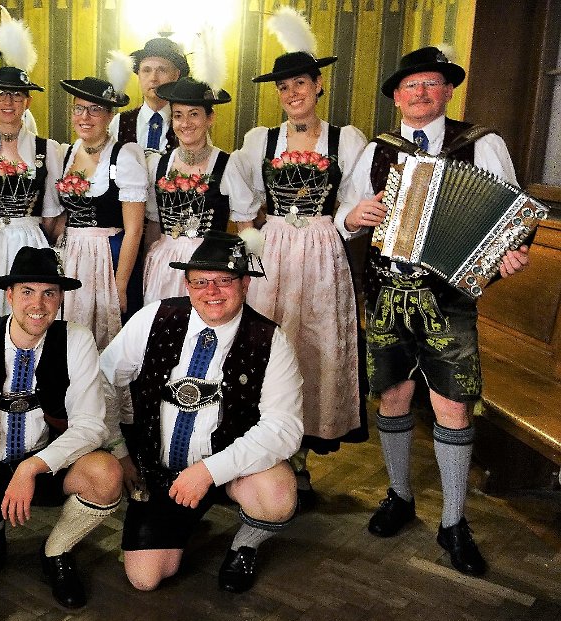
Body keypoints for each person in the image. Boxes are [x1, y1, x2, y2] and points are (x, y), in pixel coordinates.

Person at [335, 46, 529, 576]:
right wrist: (354, 215)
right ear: (397, 97)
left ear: (447, 92)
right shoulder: (377, 149)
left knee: (453, 406)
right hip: (387, 293)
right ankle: (399, 496)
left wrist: (511, 252)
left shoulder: (481, 143)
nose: (421, 93)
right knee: (393, 397)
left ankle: (453, 522)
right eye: (411, 85)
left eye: (431, 83)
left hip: (449, 299)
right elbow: (344, 217)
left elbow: (512, 216)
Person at [100, 231, 303, 593]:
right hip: (160, 473)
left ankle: (245, 545)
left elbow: (284, 427)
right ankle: (183, 523)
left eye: (224, 280)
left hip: (230, 471)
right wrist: (119, 448)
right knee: (145, 579)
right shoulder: (155, 318)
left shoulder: (270, 340)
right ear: (187, 284)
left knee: (277, 493)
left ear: (244, 283)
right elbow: (103, 379)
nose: (212, 291)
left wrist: (210, 471)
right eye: (201, 282)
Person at [0, 246, 123, 609]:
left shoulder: (76, 339)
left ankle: (56, 551)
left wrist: (32, 467)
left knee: (105, 473)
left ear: (60, 298)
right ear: (9, 295)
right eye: (27, 291)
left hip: (43, 465)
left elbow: (91, 425)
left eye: (49, 293)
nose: (39, 304)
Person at [236, 11, 369, 506]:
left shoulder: (345, 139)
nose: (292, 93)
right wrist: (256, 248)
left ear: (317, 86)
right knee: (267, 345)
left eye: (300, 83)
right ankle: (263, 455)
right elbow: (245, 208)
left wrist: (342, 224)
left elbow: (352, 208)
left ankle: (301, 460)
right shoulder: (260, 141)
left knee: (311, 347)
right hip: (272, 251)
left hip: (321, 251)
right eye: (283, 87)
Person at [0, 30, 64, 317]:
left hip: (29, 242)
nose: (8, 102)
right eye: (1, 94)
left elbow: (51, 212)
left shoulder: (47, 148)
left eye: (17, 95)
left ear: (27, 102)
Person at [143, 77, 258, 304]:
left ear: (210, 118)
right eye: (178, 115)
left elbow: (245, 226)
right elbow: (155, 224)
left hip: (209, 266)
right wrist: (146, 265)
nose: (185, 123)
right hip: (163, 267)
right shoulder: (157, 164)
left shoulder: (228, 164)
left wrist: (246, 280)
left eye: (194, 114)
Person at [54, 75, 148, 350]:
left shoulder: (124, 156)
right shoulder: (67, 153)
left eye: (95, 109)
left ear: (109, 115)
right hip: (71, 254)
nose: (85, 117)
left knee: (107, 333)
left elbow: (134, 229)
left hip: (109, 257)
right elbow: (62, 215)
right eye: (79, 108)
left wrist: (120, 285)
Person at [109, 37, 189, 155]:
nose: (153, 78)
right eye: (146, 70)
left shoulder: (187, 123)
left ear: (176, 75)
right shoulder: (120, 122)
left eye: (162, 70)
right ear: (139, 75)